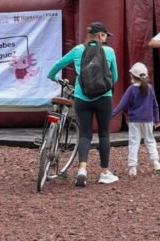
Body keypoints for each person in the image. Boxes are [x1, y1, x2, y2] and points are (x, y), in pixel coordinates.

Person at [47, 21, 119, 187]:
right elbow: (114, 77)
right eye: (106, 35)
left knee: (85, 134)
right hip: (104, 98)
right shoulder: (109, 51)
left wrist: (52, 77)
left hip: (82, 97)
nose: (106, 38)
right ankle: (104, 172)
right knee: (104, 134)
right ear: (101, 35)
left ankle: (82, 170)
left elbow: (57, 66)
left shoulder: (78, 50)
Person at [112, 62, 160, 177]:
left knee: (134, 142)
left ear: (132, 76)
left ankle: (132, 167)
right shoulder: (150, 88)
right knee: (150, 140)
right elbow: (155, 105)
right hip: (147, 119)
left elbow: (122, 104)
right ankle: (156, 162)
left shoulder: (131, 90)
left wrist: (113, 113)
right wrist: (157, 119)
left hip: (134, 120)